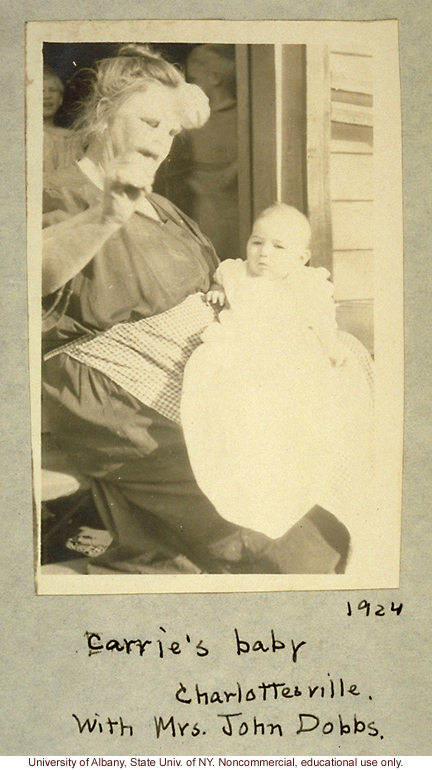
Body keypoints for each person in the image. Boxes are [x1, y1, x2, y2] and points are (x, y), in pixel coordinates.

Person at [42, 45, 355, 575]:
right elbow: (23, 278)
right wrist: (105, 216)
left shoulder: (163, 208)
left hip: (195, 386)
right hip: (117, 400)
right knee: (289, 546)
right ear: (102, 113)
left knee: (319, 492)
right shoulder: (61, 196)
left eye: (171, 132)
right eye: (149, 121)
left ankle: (141, 569)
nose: (161, 141)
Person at [181, 204, 374, 571]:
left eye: (278, 247)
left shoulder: (305, 283)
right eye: (257, 242)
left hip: (286, 352)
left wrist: (330, 346)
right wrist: (220, 290)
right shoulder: (237, 272)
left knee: (302, 395)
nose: (264, 253)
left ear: (301, 257)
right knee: (224, 389)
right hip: (242, 349)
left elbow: (321, 320)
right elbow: (222, 280)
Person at [43, 65, 81, 174]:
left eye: (53, 90)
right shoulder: (25, 135)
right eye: (41, 90)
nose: (47, 95)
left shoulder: (71, 138)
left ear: (60, 99)